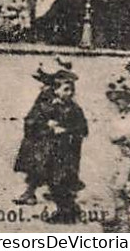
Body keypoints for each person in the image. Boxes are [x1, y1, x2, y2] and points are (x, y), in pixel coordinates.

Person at [14, 65, 89, 223]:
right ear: (55, 89)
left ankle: (66, 209)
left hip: (62, 150)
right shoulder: (44, 103)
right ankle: (31, 192)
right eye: (66, 89)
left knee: (58, 176)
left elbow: (82, 128)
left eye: (71, 90)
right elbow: (31, 120)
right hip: (42, 144)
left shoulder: (74, 109)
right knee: (38, 168)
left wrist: (66, 130)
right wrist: (46, 126)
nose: (70, 93)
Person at [106, 58, 130, 233]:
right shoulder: (123, 116)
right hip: (125, 155)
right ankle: (121, 218)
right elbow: (113, 135)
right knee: (117, 185)